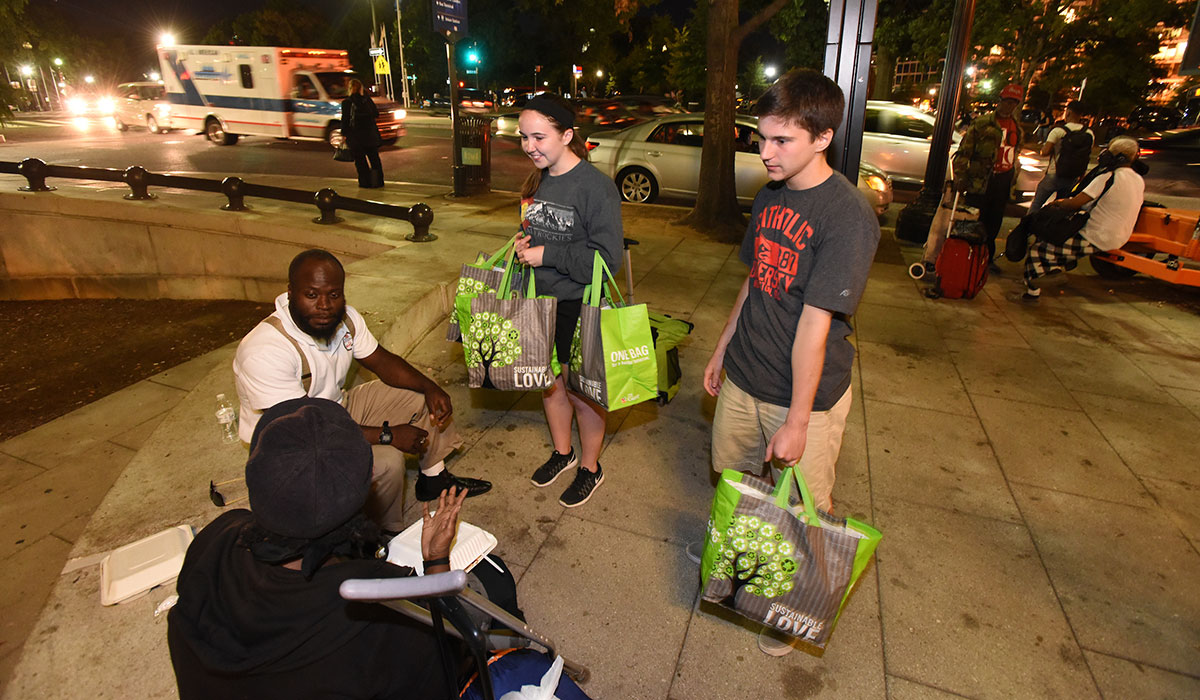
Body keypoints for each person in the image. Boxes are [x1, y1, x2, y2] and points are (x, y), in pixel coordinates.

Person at [696, 69, 880, 656]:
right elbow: (756, 279)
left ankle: (788, 608)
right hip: (745, 376)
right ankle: (747, 571)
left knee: (803, 507)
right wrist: (724, 347)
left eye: (782, 141)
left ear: (823, 138)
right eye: (762, 137)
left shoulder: (847, 216)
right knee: (739, 480)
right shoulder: (771, 193)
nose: (765, 152)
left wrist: (799, 419)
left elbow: (814, 328)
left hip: (802, 393)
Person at [168, 397, 469, 698]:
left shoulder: (218, 537)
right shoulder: (382, 605)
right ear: (365, 493)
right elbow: (445, 658)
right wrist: (435, 563)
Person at [233, 249, 490, 534]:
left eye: (334, 295)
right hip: (290, 446)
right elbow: (304, 430)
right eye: (311, 295)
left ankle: (433, 479)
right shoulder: (265, 349)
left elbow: (381, 361)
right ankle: (383, 534)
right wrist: (389, 435)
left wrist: (430, 387)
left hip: (335, 409)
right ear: (290, 293)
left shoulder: (346, 321)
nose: (324, 306)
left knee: (418, 396)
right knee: (388, 461)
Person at [512, 94, 624, 508]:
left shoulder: (597, 188)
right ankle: (564, 453)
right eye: (523, 137)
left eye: (539, 136)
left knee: (583, 393)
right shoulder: (537, 179)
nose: (530, 146)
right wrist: (526, 244)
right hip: (539, 300)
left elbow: (608, 259)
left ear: (568, 135)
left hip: (580, 303)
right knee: (549, 383)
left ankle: (590, 468)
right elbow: (534, 227)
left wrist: (549, 255)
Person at [1020, 137, 1145, 301]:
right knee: (1057, 244)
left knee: (1039, 247)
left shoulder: (1107, 178)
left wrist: (1059, 203)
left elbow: (1075, 203)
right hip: (1120, 235)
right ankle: (1054, 268)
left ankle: (1034, 290)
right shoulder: (1138, 179)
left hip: (1096, 235)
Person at [952, 83, 1025, 267]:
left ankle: (986, 258)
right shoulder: (982, 123)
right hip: (980, 181)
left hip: (1003, 180)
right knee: (974, 220)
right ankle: (967, 256)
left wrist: (1013, 177)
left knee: (994, 222)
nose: (1009, 106)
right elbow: (963, 153)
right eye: (1007, 102)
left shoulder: (1017, 128)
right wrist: (961, 177)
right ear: (1000, 101)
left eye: (1013, 103)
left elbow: (1015, 154)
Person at [1029, 101, 1094, 213]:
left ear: (1068, 112)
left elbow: (1044, 152)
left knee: (1037, 204)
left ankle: (1025, 228)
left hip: (1054, 174)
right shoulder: (1089, 133)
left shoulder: (1058, 131)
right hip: (1073, 177)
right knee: (1060, 208)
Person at [341, 79, 384, 189]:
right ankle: (378, 182)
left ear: (350, 89)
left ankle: (365, 183)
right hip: (370, 136)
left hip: (355, 137)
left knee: (360, 162)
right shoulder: (367, 100)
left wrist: (344, 134)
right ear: (361, 88)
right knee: (375, 160)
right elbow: (376, 114)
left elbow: (345, 120)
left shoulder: (347, 102)